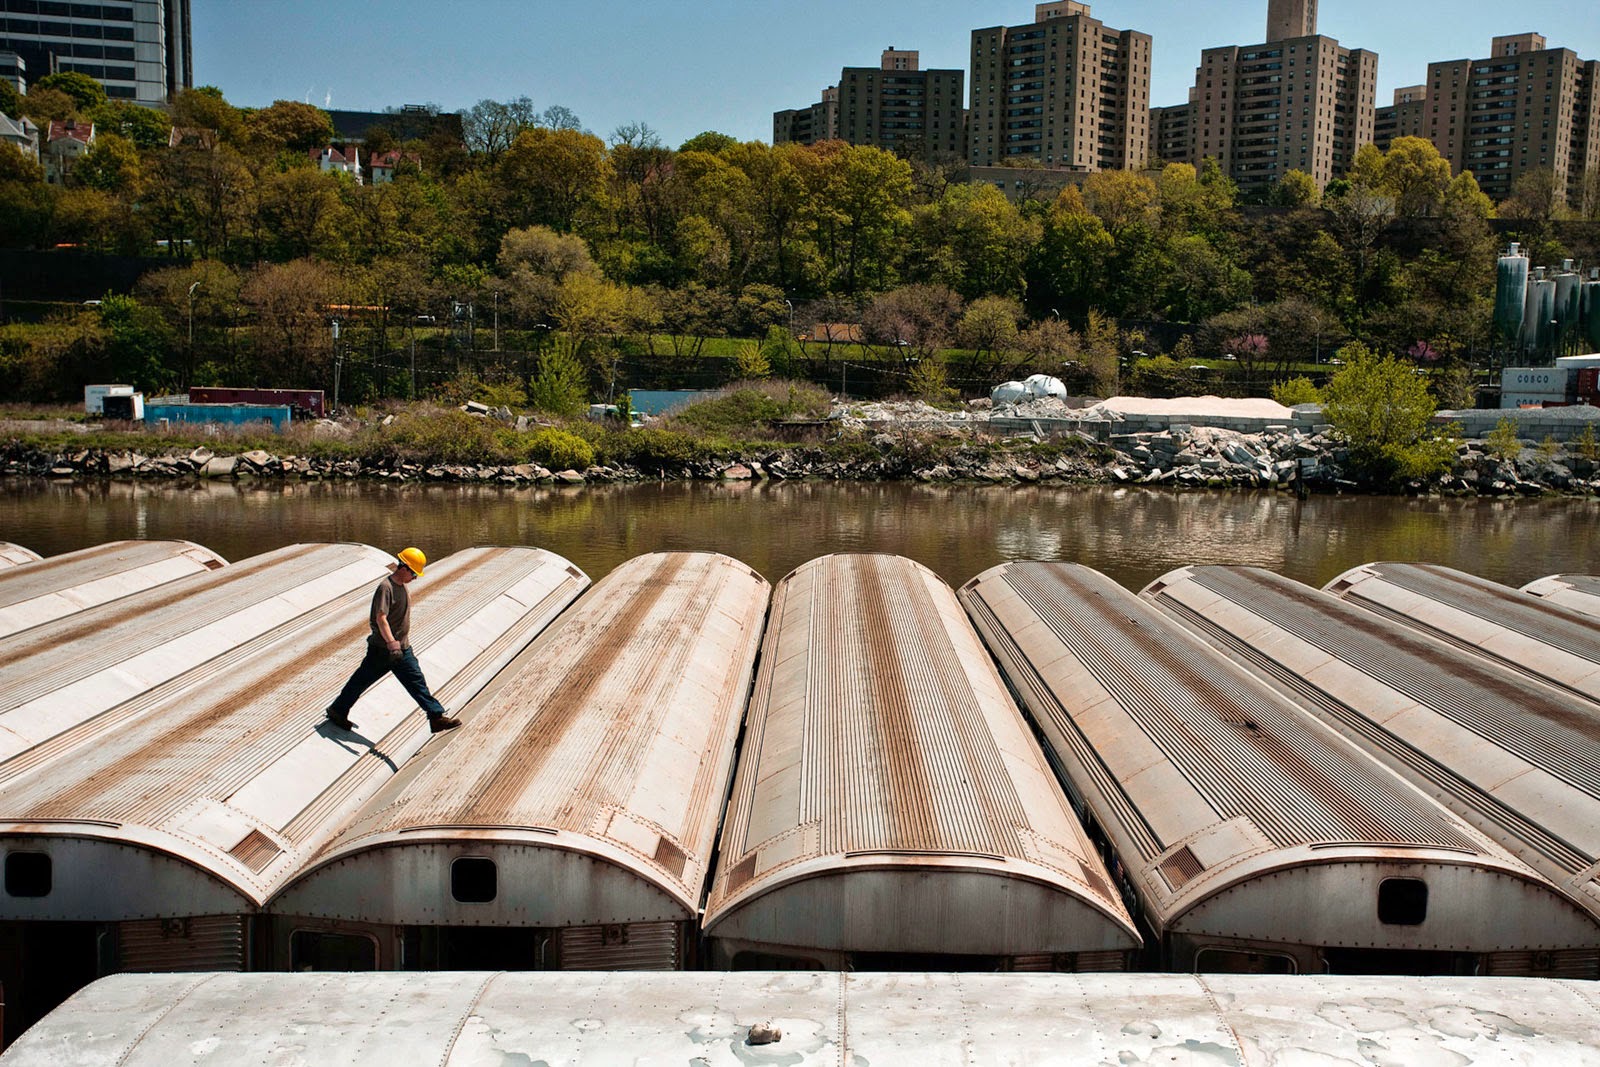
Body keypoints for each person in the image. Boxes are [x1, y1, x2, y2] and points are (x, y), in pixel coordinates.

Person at [325, 547, 461, 734]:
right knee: (361, 681)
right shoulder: (385, 588)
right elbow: (381, 617)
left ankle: (436, 717)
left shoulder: (402, 586)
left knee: (416, 681)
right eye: (413, 573)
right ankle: (337, 710)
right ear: (404, 568)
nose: (415, 578)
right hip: (383, 650)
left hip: (401, 648)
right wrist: (391, 644)